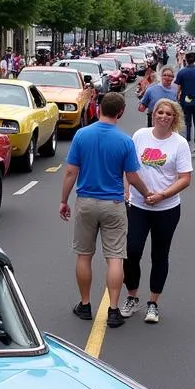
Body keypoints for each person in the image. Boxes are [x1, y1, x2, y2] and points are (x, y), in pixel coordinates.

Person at [59, 92, 153, 329]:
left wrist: (64, 200)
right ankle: (113, 309)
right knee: (115, 258)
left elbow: (71, 172)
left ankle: (85, 304)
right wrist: (147, 194)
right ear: (120, 112)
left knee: (84, 255)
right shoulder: (124, 141)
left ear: (99, 108)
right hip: (113, 204)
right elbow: (132, 176)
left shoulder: (82, 135)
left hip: (86, 202)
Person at [120, 99, 193, 324]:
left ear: (174, 118)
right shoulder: (140, 135)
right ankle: (132, 296)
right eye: (159, 112)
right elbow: (128, 167)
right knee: (131, 251)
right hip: (138, 206)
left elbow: (185, 179)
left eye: (168, 114)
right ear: (154, 115)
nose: (163, 116)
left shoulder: (179, 144)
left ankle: (153, 303)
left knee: (159, 255)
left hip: (167, 208)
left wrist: (162, 195)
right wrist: (126, 191)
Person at [174, 51, 195, 152]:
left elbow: (178, 87)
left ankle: (187, 141)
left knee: (187, 123)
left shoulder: (182, 72)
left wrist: (176, 97)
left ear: (186, 60)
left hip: (185, 101)